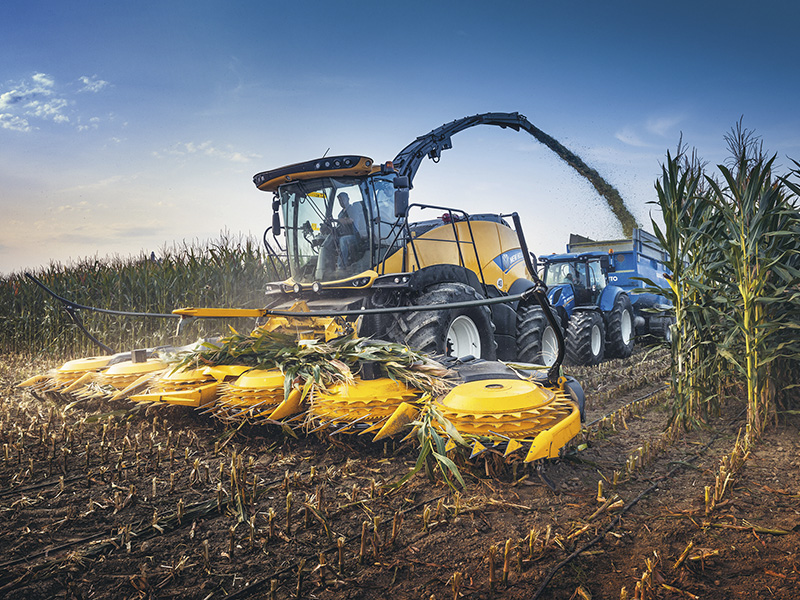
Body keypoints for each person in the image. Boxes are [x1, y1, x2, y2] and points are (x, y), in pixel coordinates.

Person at [335, 192, 366, 267]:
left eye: (342, 199)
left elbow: (351, 220)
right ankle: (329, 267)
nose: (341, 201)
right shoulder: (340, 214)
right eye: (339, 200)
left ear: (348, 199)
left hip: (355, 236)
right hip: (343, 235)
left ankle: (341, 266)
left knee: (343, 240)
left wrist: (338, 220)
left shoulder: (352, 209)